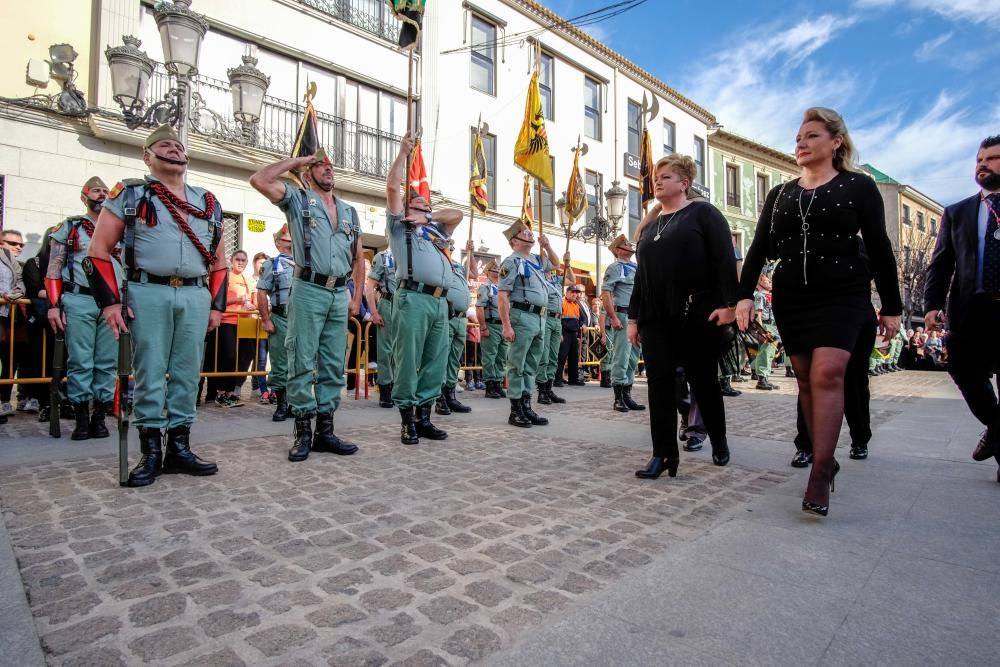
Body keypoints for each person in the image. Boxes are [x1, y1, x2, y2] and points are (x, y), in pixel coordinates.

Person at [736, 108, 901, 516]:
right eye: (798, 137)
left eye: (811, 136)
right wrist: (742, 296)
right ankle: (822, 455)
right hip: (793, 296)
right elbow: (757, 249)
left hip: (843, 293)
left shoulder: (858, 187)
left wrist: (892, 306)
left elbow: (879, 247)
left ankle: (821, 470)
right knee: (807, 382)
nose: (801, 143)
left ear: (836, 142)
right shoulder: (780, 194)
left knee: (829, 374)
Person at [88, 123, 225, 487]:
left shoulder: (207, 202)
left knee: (186, 371)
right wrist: (110, 303)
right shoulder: (131, 195)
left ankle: (179, 447)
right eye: (164, 145)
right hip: (148, 290)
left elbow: (220, 261)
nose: (174, 150)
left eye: (178, 146)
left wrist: (216, 305)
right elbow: (98, 250)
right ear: (147, 157)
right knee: (149, 370)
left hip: (196, 293)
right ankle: (151, 451)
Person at [250, 147, 364, 462]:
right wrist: (298, 161)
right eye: (321, 165)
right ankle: (302, 431)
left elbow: (357, 258)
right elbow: (259, 179)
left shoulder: (349, 212)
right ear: (307, 173)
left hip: (338, 293)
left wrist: (355, 297)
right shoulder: (297, 200)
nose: (328, 169)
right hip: (308, 287)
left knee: (332, 363)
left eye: (330, 166)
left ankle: (325, 431)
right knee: (301, 357)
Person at [629, 154, 738, 480]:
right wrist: (634, 319)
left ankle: (718, 440)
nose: (658, 181)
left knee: (704, 381)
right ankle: (662, 454)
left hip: (698, 313)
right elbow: (641, 276)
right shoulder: (650, 226)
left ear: (684, 183)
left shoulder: (703, 214)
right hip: (656, 318)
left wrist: (730, 305)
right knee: (659, 385)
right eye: (657, 177)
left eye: (666, 176)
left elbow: (724, 261)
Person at [924, 135, 1000, 482]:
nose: (982, 164)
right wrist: (932, 304)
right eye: (979, 159)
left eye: (993, 158)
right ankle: (998, 429)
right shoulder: (958, 212)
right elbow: (941, 264)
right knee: (964, 371)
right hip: (972, 309)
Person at [384, 133, 464, 445]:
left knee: (435, 361)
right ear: (407, 207)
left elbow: (457, 215)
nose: (424, 203)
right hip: (413, 297)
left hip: (439, 303)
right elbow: (392, 187)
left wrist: (428, 215)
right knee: (408, 359)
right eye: (419, 201)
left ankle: (425, 417)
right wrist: (403, 154)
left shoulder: (433, 230)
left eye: (427, 203)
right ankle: (407, 420)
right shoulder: (399, 225)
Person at [46, 177, 121, 439]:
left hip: (113, 301)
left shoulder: (121, 227)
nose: (101, 195)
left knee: (107, 362)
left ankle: (99, 417)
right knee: (80, 360)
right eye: (96, 191)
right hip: (80, 299)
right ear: (84, 196)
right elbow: (54, 267)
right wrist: (54, 305)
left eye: (105, 191)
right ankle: (81, 417)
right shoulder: (71, 226)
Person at [498, 220, 558, 428]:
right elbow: (503, 296)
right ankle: (515, 410)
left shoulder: (536, 259)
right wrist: (506, 325)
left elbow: (557, 265)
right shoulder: (511, 262)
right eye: (526, 233)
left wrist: (547, 246)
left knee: (532, 364)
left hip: (540, 317)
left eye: (532, 233)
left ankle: (526, 404)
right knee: (517, 364)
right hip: (521, 316)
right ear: (515, 239)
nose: (531, 236)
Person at [208, 249, 257, 407]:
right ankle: (221, 392)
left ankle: (230, 393)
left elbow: (254, 303)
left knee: (239, 360)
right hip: (227, 321)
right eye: (238, 259)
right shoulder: (226, 277)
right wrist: (237, 299)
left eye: (243, 260)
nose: (240, 262)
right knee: (227, 356)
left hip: (244, 324)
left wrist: (252, 306)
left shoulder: (249, 280)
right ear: (231, 260)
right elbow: (217, 302)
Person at [256, 225, 295, 421]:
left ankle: (296, 404)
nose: (291, 243)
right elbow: (262, 292)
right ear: (279, 243)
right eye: (287, 240)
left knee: (300, 363)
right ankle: (281, 404)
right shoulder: (272, 264)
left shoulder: (305, 264)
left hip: (301, 320)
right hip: (280, 318)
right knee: (280, 363)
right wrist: (266, 319)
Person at [602, 234, 644, 412]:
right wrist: (613, 317)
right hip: (624, 315)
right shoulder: (615, 267)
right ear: (619, 250)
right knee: (622, 357)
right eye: (626, 244)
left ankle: (627, 393)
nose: (630, 245)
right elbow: (606, 294)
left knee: (633, 357)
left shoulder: (637, 267)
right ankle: (618, 397)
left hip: (637, 316)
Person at [436, 239, 478, 415]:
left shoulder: (458, 266)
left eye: (452, 245)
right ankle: (439, 398)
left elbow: (474, 273)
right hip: (446, 315)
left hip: (461, 318)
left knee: (454, 359)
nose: (450, 247)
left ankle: (450, 394)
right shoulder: (437, 261)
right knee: (441, 358)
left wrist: (470, 253)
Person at [536, 252, 573, 405]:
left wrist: (568, 264)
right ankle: (542, 391)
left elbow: (572, 280)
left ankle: (549, 389)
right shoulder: (539, 276)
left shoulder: (556, 278)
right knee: (544, 357)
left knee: (554, 357)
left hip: (557, 321)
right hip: (545, 317)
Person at [366, 246, 398, 407]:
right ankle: (386, 390)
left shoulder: (409, 254)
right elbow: (370, 285)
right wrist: (374, 312)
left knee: (402, 350)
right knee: (386, 350)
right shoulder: (383, 257)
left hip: (406, 306)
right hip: (388, 303)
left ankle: (399, 388)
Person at [0, 231, 26, 420]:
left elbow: (21, 283)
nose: (18, 247)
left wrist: (14, 293)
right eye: (13, 243)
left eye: (21, 245)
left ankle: (4, 401)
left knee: (10, 359)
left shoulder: (14, 262)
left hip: (7, 314)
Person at [476, 259, 508, 399]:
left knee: (501, 357)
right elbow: (480, 307)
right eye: (494, 269)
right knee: (490, 356)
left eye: (498, 269)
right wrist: (483, 327)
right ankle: (489, 386)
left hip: (503, 325)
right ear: (488, 272)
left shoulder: (503, 288)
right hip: (491, 324)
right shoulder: (486, 287)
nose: (497, 270)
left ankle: (497, 383)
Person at [750, 274, 778, 390]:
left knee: (767, 353)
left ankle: (764, 377)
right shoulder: (760, 296)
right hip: (766, 325)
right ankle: (762, 379)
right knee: (766, 352)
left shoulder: (768, 295)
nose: (770, 283)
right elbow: (758, 315)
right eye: (767, 281)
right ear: (760, 282)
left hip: (771, 325)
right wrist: (763, 331)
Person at [251, 251, 271, 402]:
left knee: (276, 359)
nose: (262, 265)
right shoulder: (251, 281)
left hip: (273, 323)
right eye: (260, 262)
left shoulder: (272, 279)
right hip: (255, 325)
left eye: (265, 263)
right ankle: (262, 389)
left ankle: (273, 389)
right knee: (261, 359)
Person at [556, 285, 583, 392]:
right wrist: (559, 333)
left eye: (576, 292)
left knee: (574, 357)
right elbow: (558, 319)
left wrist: (579, 333)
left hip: (573, 333)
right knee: (561, 356)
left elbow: (579, 320)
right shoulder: (562, 303)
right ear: (566, 292)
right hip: (564, 332)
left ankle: (573, 379)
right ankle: (557, 379)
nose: (574, 294)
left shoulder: (576, 305)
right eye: (572, 292)